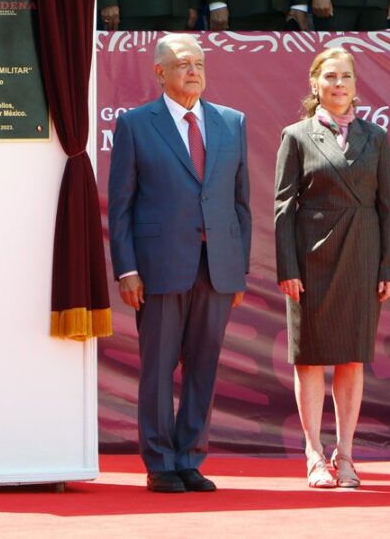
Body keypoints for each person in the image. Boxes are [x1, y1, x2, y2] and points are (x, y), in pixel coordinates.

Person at [108, 34, 251, 493]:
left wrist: (238, 267)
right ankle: (160, 462)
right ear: (160, 73)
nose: (193, 71)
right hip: (158, 267)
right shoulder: (135, 124)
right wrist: (127, 269)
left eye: (199, 63)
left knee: (204, 366)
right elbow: (121, 205)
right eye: (183, 64)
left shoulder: (232, 122)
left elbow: (240, 203)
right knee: (158, 368)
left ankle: (190, 457)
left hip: (218, 267)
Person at [274, 48, 390, 489]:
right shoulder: (296, 135)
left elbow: (388, 207)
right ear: (315, 84)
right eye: (330, 76)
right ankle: (312, 454)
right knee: (309, 360)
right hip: (311, 260)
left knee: (351, 358)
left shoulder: (376, 136)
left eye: (346, 77)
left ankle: (345, 455)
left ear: (355, 85)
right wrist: (287, 266)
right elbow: (283, 208)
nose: (339, 84)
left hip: (363, 257)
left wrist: (389, 266)